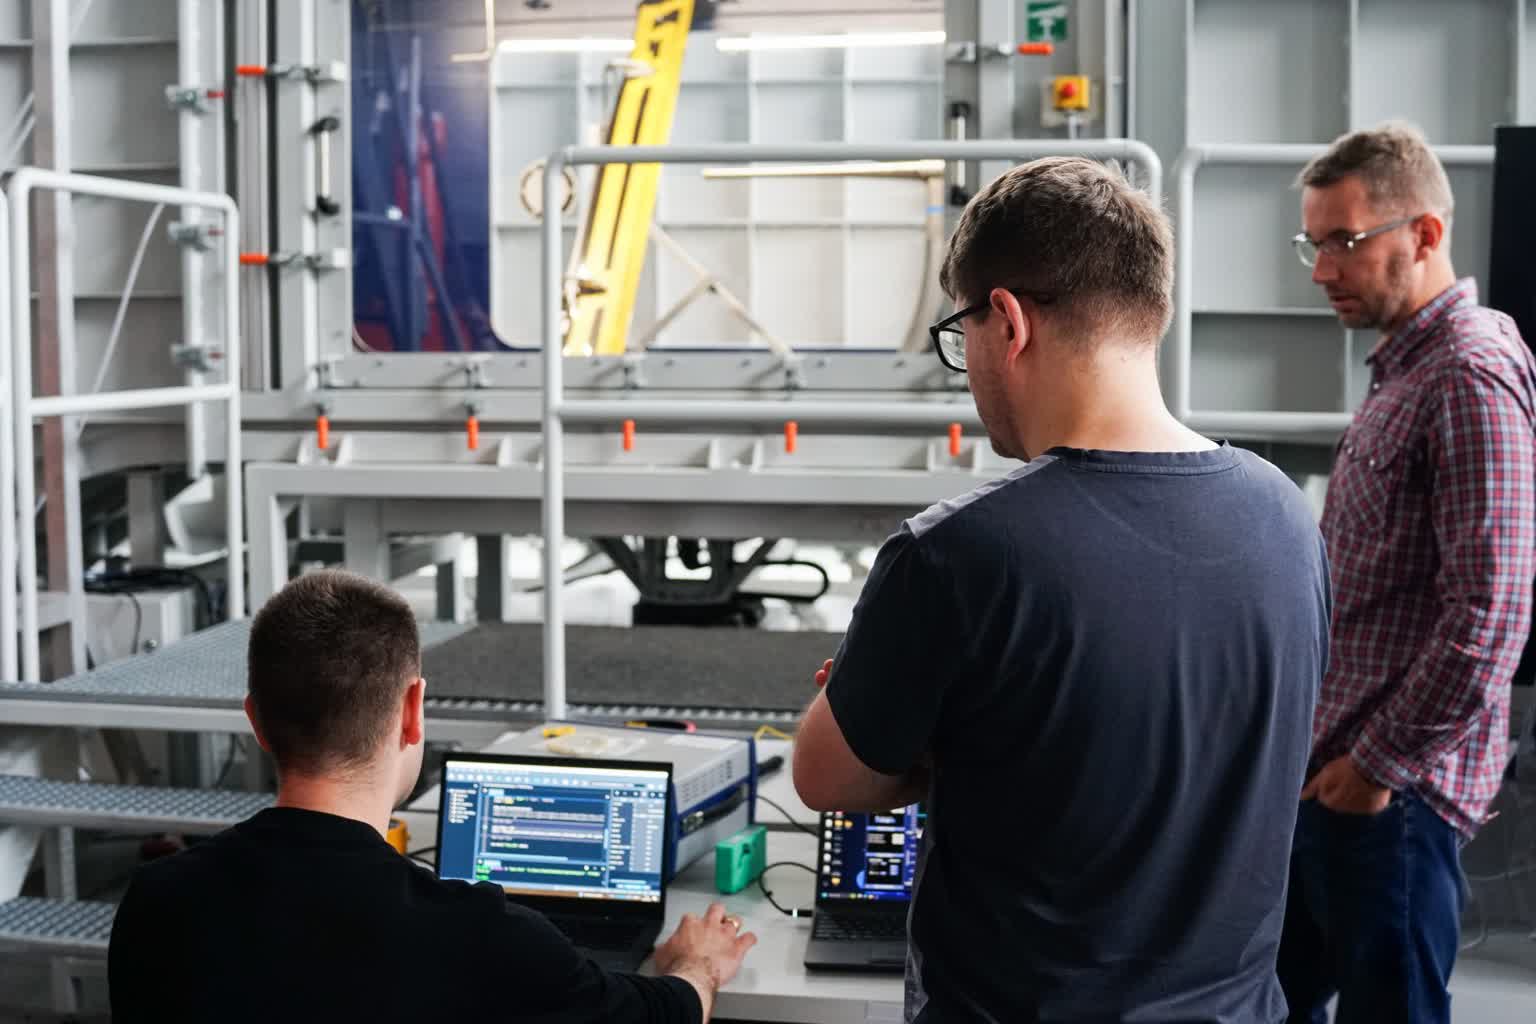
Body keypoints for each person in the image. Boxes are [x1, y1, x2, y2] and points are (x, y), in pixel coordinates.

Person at [791, 157, 1330, 1022]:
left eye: (960, 332)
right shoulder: (1287, 519)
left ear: (1007, 321)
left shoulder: (960, 554)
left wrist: (932, 739)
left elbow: (825, 775)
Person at [109, 570, 755, 1023]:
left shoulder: (158, 903)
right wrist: (697, 966)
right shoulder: (480, 937)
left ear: (255, 720)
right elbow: (663, 1016)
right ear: (413, 711)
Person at [1277, 121, 1536, 1023]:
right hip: (1337, 780)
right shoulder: (1408, 368)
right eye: (1314, 244)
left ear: (1424, 234)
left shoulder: (1468, 374)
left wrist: (1375, 771)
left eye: (1344, 242)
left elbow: (1493, 611)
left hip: (1392, 802)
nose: (1322, 270)